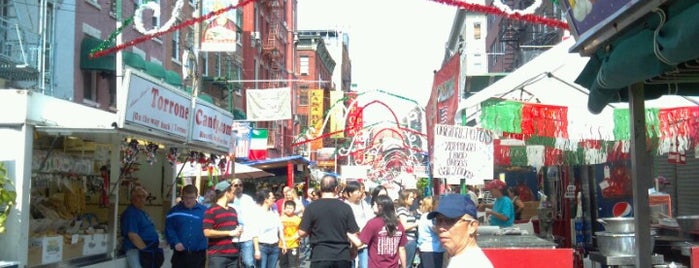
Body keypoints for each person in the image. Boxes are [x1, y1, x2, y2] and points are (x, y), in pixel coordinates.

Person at [298, 175, 360, 268]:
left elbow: (302, 232)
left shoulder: (312, 207)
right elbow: (354, 232)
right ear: (336, 189)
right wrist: (354, 250)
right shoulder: (345, 207)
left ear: (320, 188)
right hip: (342, 255)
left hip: (320, 255)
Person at [427, 194, 493, 268]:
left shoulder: (473, 263)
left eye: (450, 220)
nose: (441, 228)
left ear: (472, 226)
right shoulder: (462, 259)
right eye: (438, 221)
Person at [349, 194, 407, 268]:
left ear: (380, 207)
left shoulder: (373, 223)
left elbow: (359, 243)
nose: (372, 206)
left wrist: (346, 231)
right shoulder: (398, 224)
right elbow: (401, 248)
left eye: (374, 204)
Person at [203, 180, 244, 268]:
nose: (235, 196)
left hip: (234, 255)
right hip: (217, 256)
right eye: (233, 193)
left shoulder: (233, 210)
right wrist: (229, 233)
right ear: (227, 193)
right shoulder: (211, 210)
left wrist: (238, 231)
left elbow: (234, 230)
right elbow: (207, 232)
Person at [165, 185, 207, 268]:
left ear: (196, 196)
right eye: (186, 197)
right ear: (182, 196)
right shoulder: (174, 211)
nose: (188, 200)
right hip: (180, 255)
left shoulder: (205, 211)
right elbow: (169, 228)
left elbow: (209, 228)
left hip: (198, 254)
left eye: (191, 197)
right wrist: (175, 241)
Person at [121, 185, 164, 268]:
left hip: (147, 249)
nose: (142, 199)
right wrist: (146, 251)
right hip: (136, 250)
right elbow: (133, 235)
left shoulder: (141, 212)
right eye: (138, 196)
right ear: (132, 198)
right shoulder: (131, 213)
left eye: (144, 196)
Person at [344, 181, 374, 268]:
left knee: (364, 265)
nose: (360, 194)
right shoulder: (344, 205)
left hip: (363, 240)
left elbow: (370, 218)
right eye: (358, 191)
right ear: (350, 193)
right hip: (349, 241)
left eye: (361, 191)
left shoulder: (363, 203)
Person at [252, 189, 285, 268]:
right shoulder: (257, 213)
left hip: (274, 247)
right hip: (262, 247)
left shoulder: (274, 213)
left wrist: (283, 243)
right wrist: (256, 250)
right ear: (266, 199)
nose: (274, 200)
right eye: (272, 198)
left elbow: (280, 229)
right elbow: (254, 233)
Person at [229, 178, 257, 268]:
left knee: (248, 262)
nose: (238, 187)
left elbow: (254, 216)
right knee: (234, 264)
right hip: (232, 237)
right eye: (236, 185)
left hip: (247, 236)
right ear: (231, 187)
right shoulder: (228, 199)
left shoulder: (248, 199)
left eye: (240, 185)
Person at [416, 196, 445, 268]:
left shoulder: (424, 216)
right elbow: (435, 229)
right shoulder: (427, 217)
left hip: (431, 249)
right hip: (430, 249)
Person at [396, 189, 419, 267]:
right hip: (408, 240)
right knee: (406, 265)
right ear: (405, 198)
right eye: (411, 197)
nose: (413, 199)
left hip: (412, 240)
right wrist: (416, 224)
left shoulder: (408, 210)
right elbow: (404, 226)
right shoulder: (402, 210)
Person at [279, 200, 302, 268]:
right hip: (282, 245)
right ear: (284, 209)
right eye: (287, 208)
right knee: (283, 264)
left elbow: (300, 232)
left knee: (293, 264)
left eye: (291, 208)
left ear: (294, 209)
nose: (289, 210)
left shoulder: (298, 219)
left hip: (293, 245)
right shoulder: (281, 219)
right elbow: (279, 231)